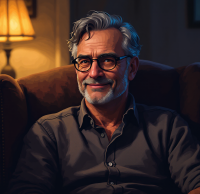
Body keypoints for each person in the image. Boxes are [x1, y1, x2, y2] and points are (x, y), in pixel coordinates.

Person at [8, 11, 200, 194]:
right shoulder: (48, 132)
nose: (94, 73)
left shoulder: (168, 126)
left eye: (108, 60)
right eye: (84, 61)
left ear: (132, 68)